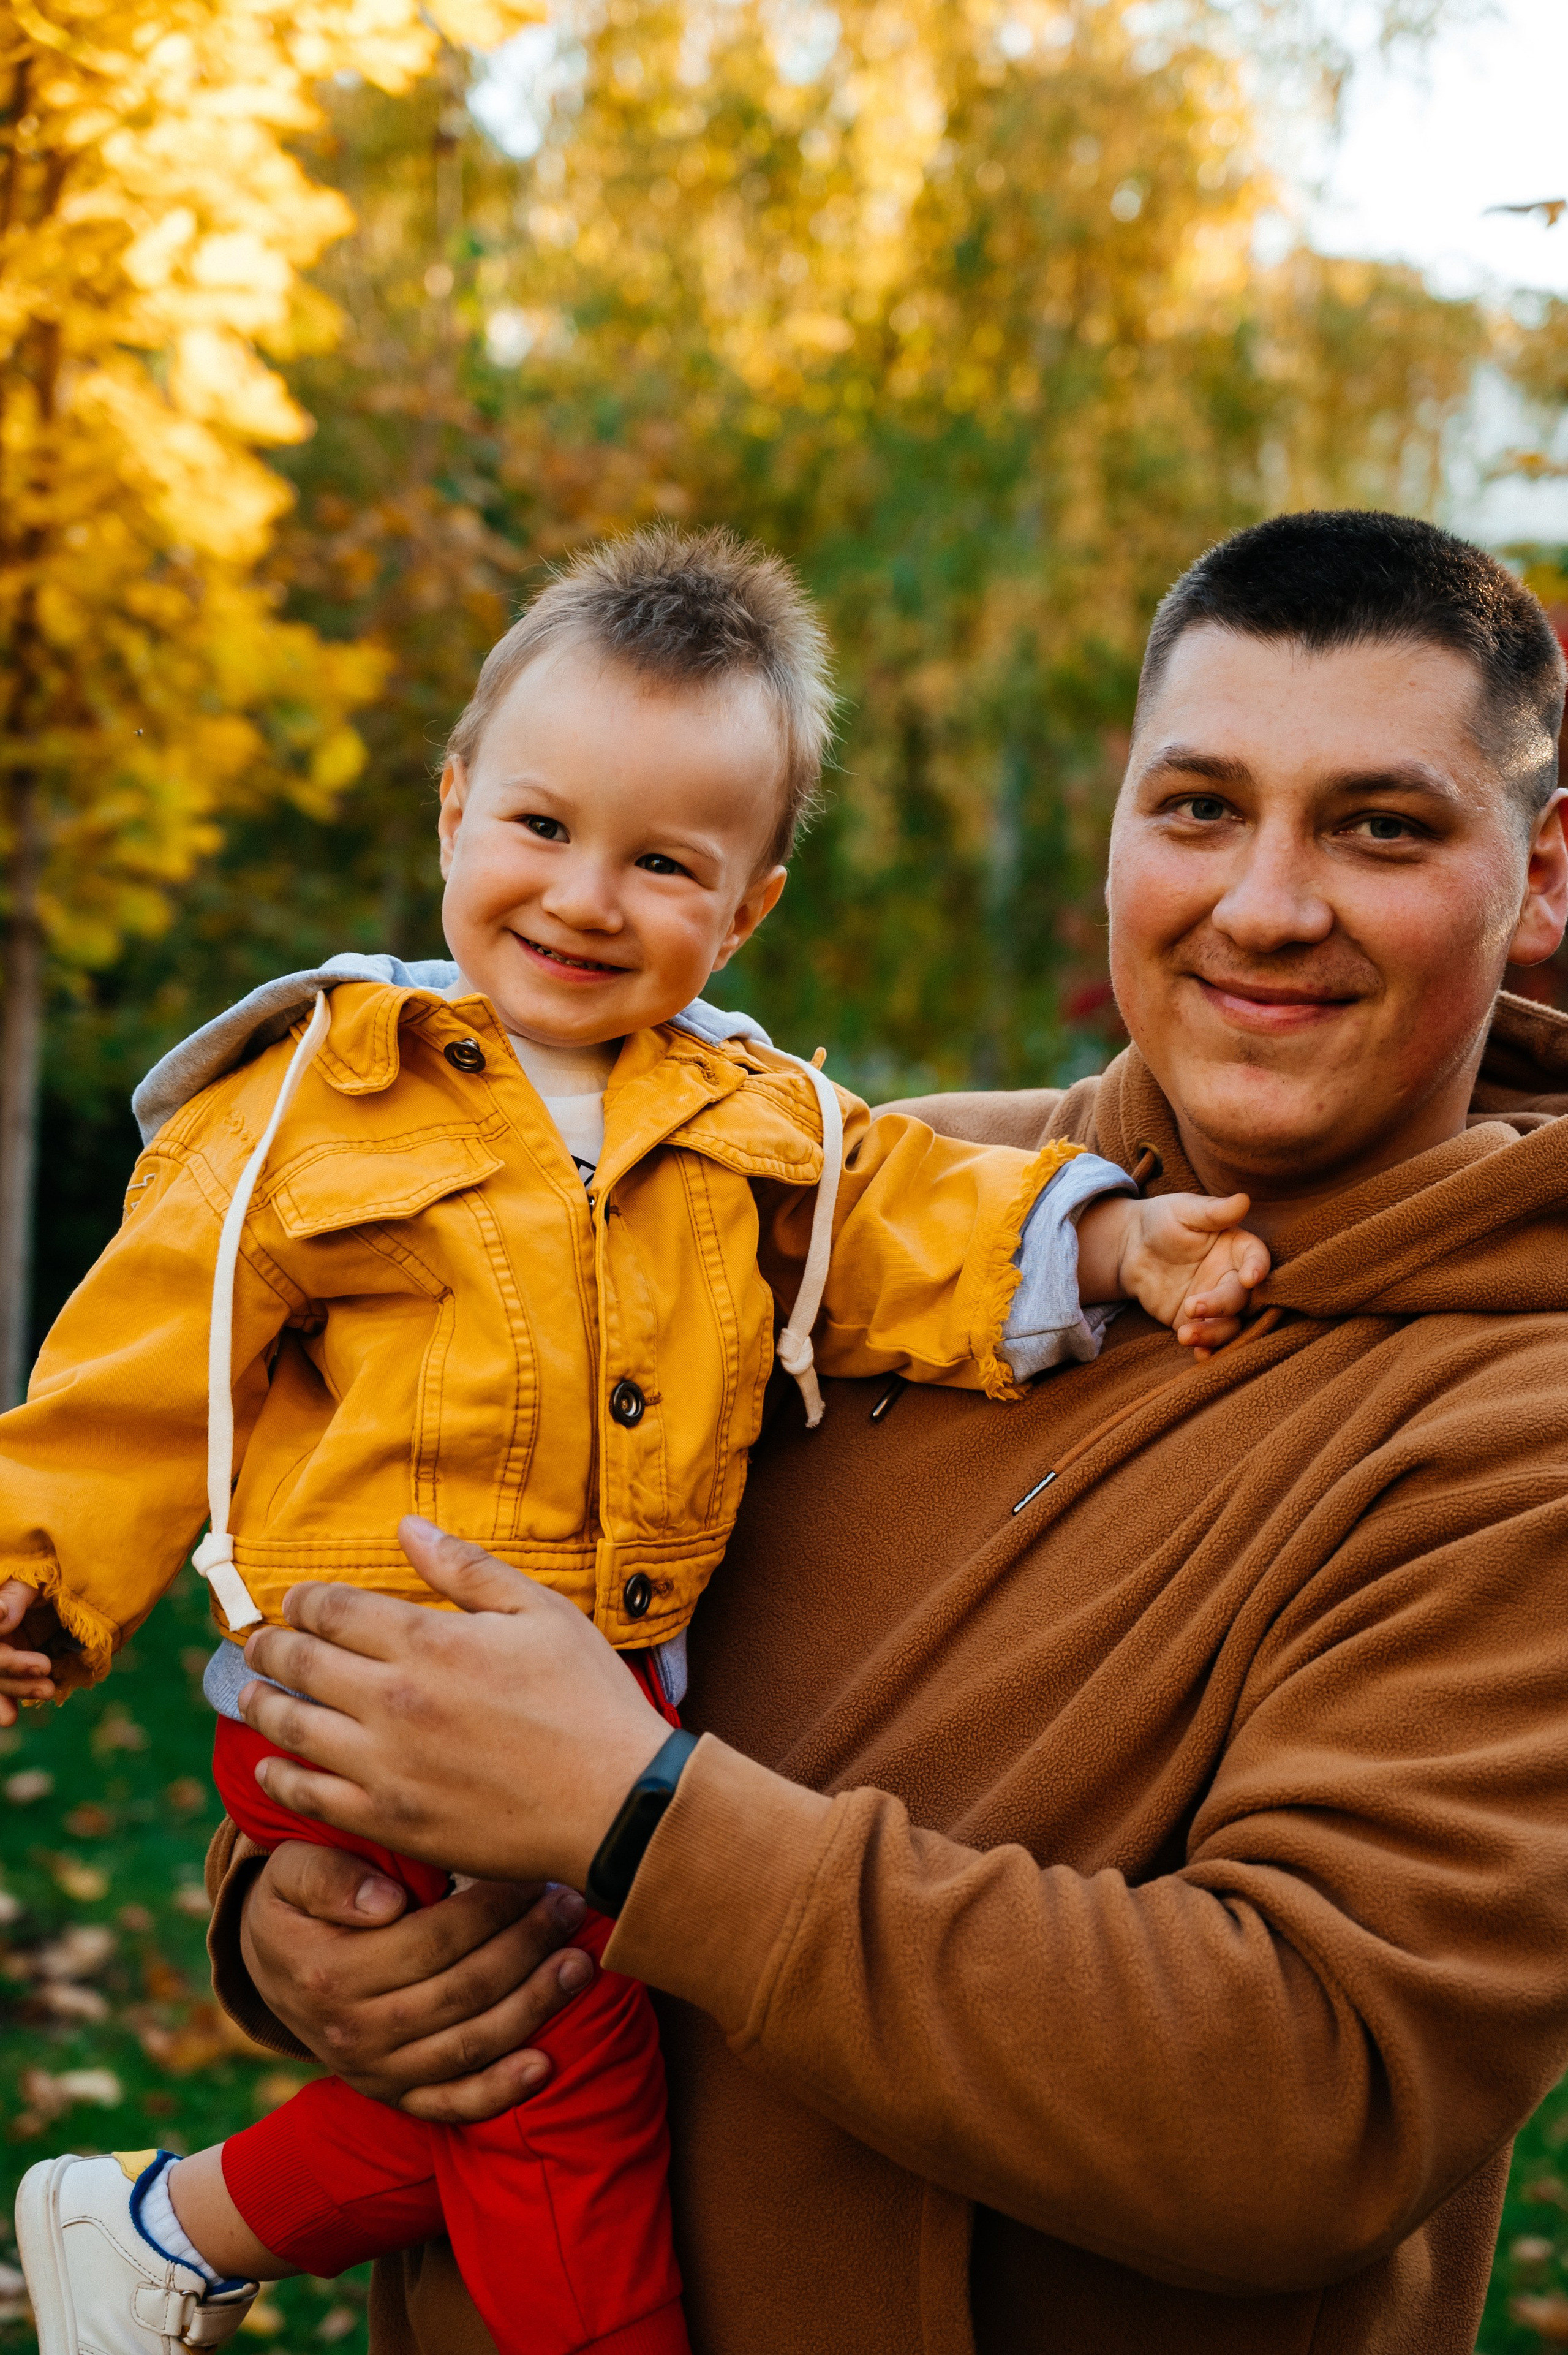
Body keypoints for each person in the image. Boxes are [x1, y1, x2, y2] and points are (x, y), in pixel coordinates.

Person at [193, 508, 1568, 2355]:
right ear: (1119, 828)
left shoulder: (1520, 1425)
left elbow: (1302, 2101)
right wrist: (302, 1905)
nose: (1264, 900)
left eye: (1381, 827)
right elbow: (429, 1526)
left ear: (1540, 876)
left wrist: (635, 1818)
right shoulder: (858, 1201)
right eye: (1199, 806)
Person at [2, 526, 1267, 2355]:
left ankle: (155, 2222)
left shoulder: (759, 1122)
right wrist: (38, 1572)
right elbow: (144, 1367)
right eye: (539, 827)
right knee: (567, 2074)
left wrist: (1119, 1237)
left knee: (504, 2051)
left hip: (612, 1714)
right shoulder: (309, 1105)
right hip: (373, 1689)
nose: (586, 897)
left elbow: (914, 1220)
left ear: (744, 907)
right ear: (452, 812)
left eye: (662, 861)